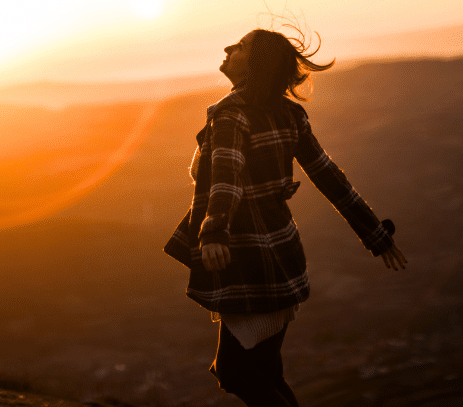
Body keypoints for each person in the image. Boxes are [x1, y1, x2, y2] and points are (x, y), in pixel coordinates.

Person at [164, 27, 407, 406]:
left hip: (246, 262)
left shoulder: (231, 114)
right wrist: (375, 233)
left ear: (255, 64)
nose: (229, 48)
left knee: (237, 374)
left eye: (241, 46)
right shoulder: (289, 114)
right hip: (283, 258)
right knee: (263, 373)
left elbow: (225, 179)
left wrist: (213, 232)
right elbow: (330, 177)